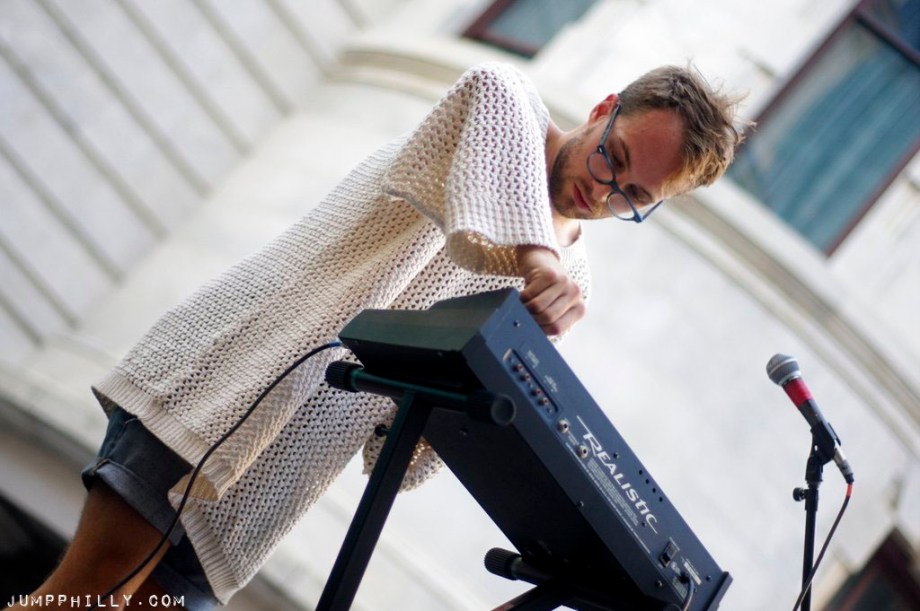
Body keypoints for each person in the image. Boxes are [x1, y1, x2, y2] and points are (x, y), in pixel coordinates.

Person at [11, 61, 742, 609]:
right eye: (613, 156)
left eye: (633, 196)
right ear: (605, 109)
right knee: (82, 598)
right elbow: (490, 197)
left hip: (276, 481)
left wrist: (507, 371)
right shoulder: (506, 105)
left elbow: (413, 442)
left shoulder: (569, 280)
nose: (603, 190)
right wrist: (538, 262)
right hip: (226, 380)